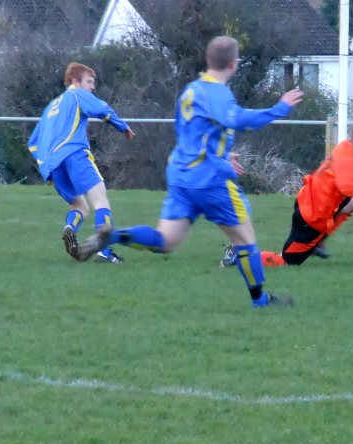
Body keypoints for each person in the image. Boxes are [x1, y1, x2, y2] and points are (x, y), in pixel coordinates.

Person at [75, 36, 303, 307]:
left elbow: (194, 133)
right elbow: (239, 120)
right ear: (234, 64)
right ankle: (261, 300)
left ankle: (113, 236)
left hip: (182, 175)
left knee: (166, 241)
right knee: (245, 239)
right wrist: (279, 108)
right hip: (209, 180)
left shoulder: (191, 90)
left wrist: (222, 152)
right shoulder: (218, 93)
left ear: (208, 60)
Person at [220, 119, 353, 267]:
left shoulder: (346, 147)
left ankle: (318, 243)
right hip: (312, 217)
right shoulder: (350, 159)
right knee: (287, 261)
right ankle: (238, 255)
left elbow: (350, 166)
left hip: (308, 197)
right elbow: (346, 185)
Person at [27, 62, 135, 263]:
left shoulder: (51, 106)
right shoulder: (76, 94)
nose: (92, 87)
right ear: (75, 82)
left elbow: (33, 143)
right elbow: (101, 108)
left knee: (79, 206)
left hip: (54, 164)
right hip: (75, 154)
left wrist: (45, 163)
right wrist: (123, 126)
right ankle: (105, 253)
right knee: (100, 200)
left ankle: (70, 229)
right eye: (89, 81)